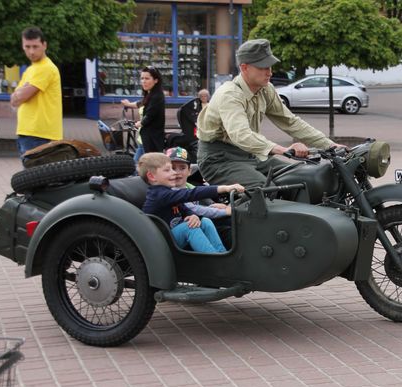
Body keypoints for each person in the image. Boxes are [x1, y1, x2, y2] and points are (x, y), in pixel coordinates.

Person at [196, 38, 345, 189]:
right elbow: (241, 135)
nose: (269, 72)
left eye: (270, 66)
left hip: (249, 154)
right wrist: (283, 150)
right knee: (263, 189)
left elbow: (290, 122)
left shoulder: (266, 89)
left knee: (301, 176)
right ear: (244, 68)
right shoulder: (230, 95)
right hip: (219, 159)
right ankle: (231, 211)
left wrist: (331, 146)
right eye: (262, 67)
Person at [138, 152, 244, 253]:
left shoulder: (167, 193)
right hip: (161, 242)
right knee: (189, 227)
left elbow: (184, 208)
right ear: (152, 176)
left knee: (205, 221)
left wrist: (192, 215)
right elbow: (190, 194)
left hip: (173, 236)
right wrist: (223, 188)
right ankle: (214, 259)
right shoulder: (158, 195)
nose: (174, 172)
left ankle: (221, 253)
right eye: (167, 170)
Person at [10, 27, 62, 162]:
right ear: (22, 46)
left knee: (37, 180)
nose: (31, 51)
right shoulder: (31, 69)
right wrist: (19, 93)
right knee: (32, 179)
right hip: (29, 132)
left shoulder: (46, 68)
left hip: (39, 133)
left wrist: (19, 92)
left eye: (35, 46)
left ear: (44, 45)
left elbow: (20, 97)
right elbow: (13, 100)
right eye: (27, 47)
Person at [121, 66, 166, 163]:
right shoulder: (150, 94)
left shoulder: (157, 96)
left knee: (142, 166)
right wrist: (128, 104)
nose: (143, 81)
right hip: (144, 139)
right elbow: (141, 103)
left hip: (151, 139)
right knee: (138, 165)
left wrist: (139, 123)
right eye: (142, 78)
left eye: (147, 78)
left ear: (156, 80)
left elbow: (150, 115)